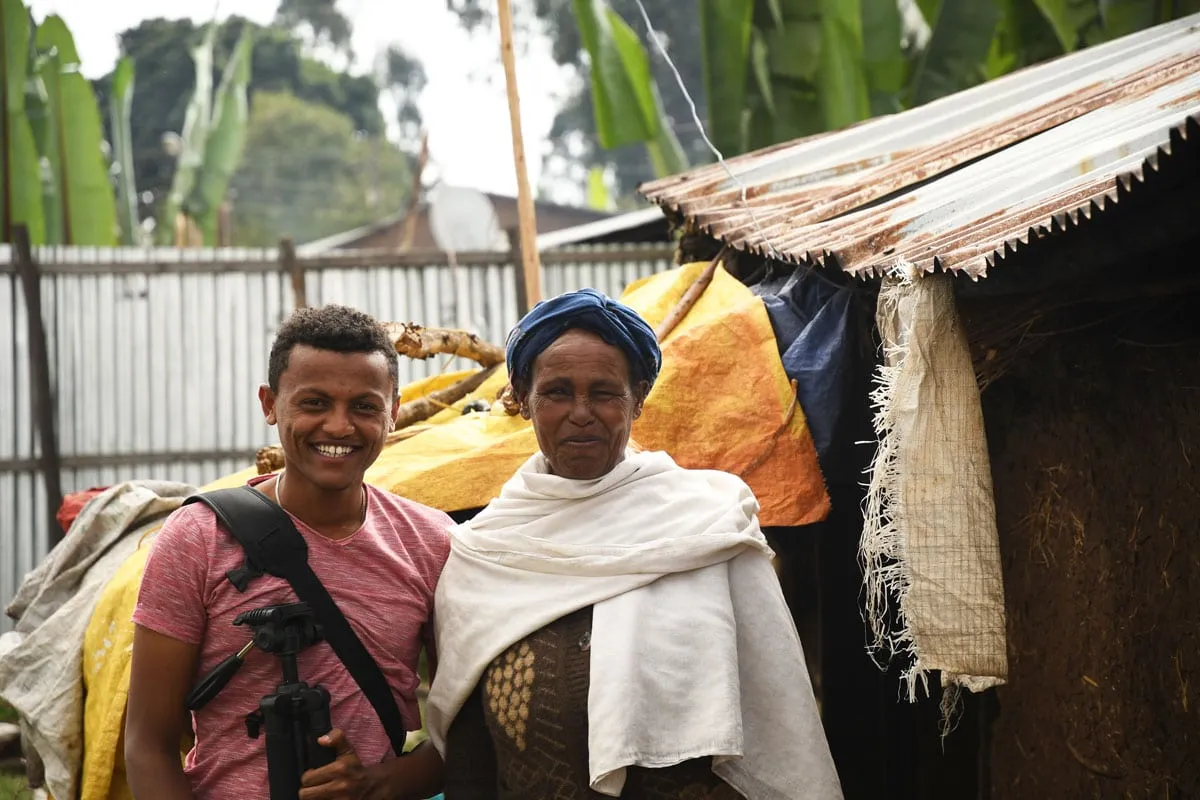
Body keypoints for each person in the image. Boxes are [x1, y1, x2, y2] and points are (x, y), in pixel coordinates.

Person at [427, 289, 843, 799]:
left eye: (604, 393)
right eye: (557, 392)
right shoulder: (483, 552)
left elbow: (775, 715)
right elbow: (469, 749)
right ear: (523, 396)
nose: (581, 412)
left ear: (639, 397)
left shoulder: (708, 525)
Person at [125, 304, 451, 800]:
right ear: (270, 404)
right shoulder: (197, 539)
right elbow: (147, 743)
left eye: (364, 406)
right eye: (314, 403)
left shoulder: (431, 543)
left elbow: (468, 728)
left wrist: (380, 784)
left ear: (395, 411)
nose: (339, 427)